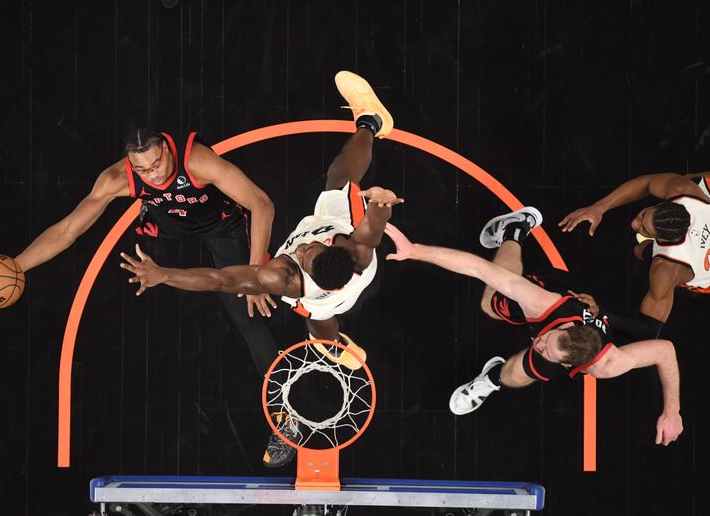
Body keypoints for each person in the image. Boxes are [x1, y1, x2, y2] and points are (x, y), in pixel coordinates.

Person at [12, 126, 294, 465]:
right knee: (138, 233)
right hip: (165, 222)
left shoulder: (198, 161)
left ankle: (288, 418)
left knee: (247, 314)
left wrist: (254, 274)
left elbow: (262, 203)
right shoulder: (119, 177)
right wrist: (16, 266)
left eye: (156, 165)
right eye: (141, 170)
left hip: (221, 225)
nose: (151, 174)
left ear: (168, 151)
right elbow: (68, 229)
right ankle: (153, 218)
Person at [119, 71, 401, 370]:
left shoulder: (281, 278)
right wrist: (382, 202)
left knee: (318, 317)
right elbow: (374, 227)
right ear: (335, 248)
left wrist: (164, 275)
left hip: (321, 297)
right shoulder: (355, 253)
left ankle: (331, 345)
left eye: (302, 255)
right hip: (343, 273)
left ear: (300, 272)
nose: (303, 247)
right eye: (312, 247)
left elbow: (220, 279)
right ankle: (372, 120)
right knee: (340, 178)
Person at [384, 208, 683, 446]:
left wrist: (672, 410)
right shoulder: (543, 303)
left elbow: (665, 351)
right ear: (563, 328)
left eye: (545, 349)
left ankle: (490, 379)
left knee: (516, 374)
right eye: (548, 339)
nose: (538, 343)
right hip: (559, 292)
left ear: (568, 363)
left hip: (588, 321)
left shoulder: (608, 364)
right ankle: (515, 228)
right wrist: (415, 251)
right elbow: (479, 268)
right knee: (491, 303)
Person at [559, 172, 710, 336]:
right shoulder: (682, 188)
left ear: (666, 239)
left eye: (644, 229)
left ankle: (643, 246)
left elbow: (649, 328)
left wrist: (601, 313)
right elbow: (647, 183)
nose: (634, 223)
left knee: (639, 250)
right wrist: (599, 208)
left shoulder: (667, 269)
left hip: (702, 270)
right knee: (690, 178)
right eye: (643, 215)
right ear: (664, 203)